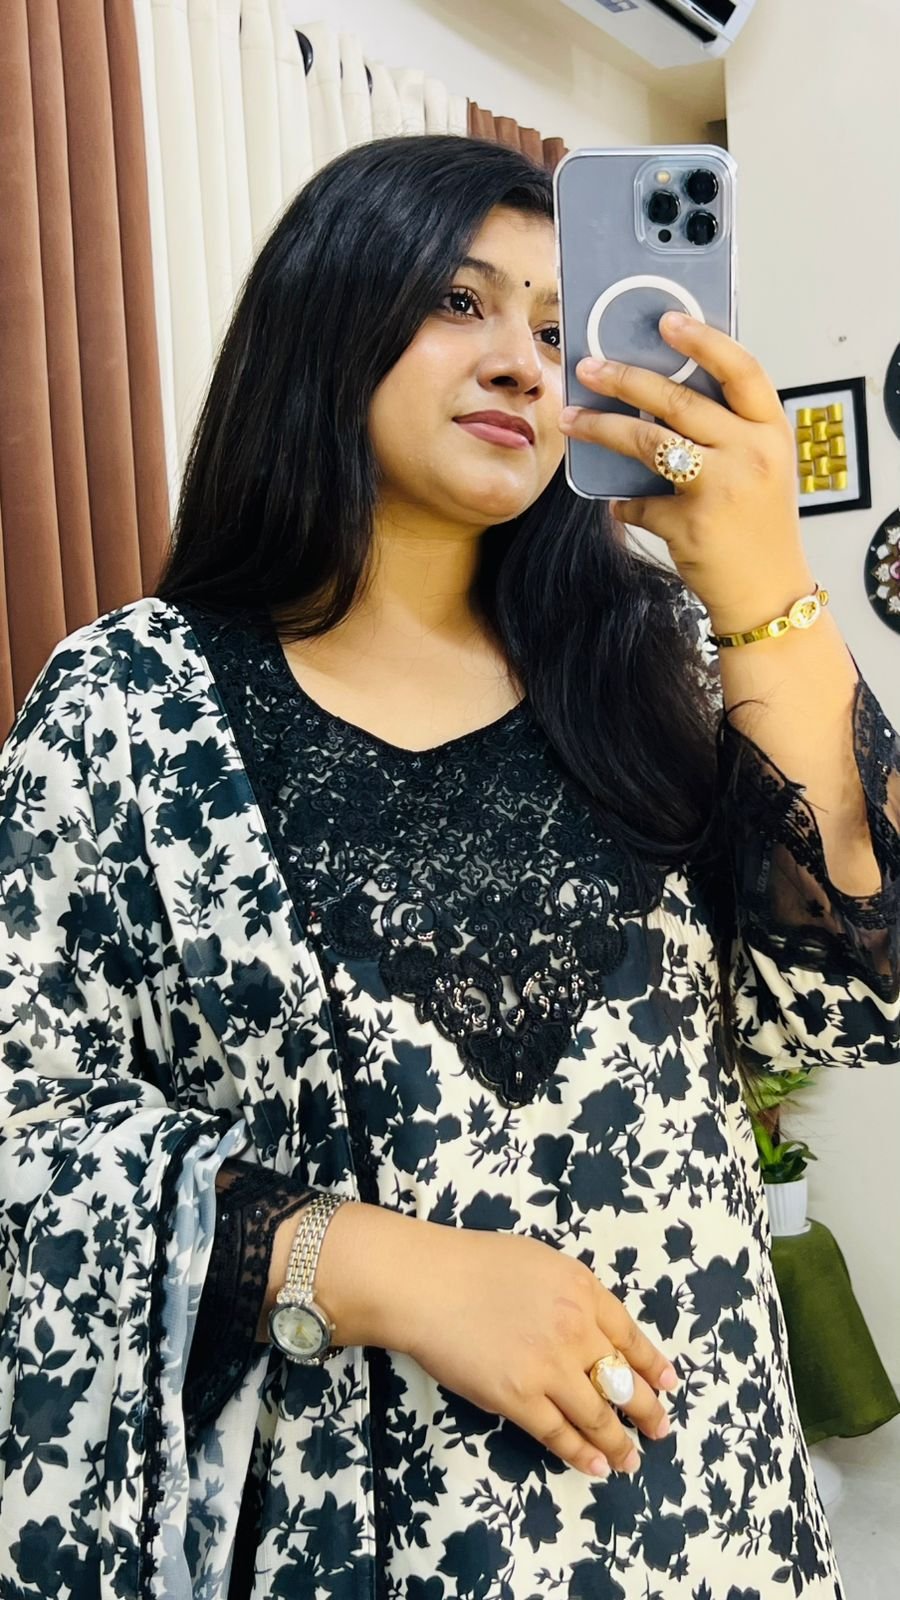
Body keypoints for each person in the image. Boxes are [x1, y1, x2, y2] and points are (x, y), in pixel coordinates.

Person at [0, 134, 897, 1600]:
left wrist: (763, 592)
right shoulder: (130, 702)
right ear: (324, 316)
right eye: (459, 302)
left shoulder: (663, 667)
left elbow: (855, 996)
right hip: (340, 1530)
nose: (520, 364)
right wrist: (372, 1264)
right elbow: (26, 1122)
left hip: (707, 1511)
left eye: (555, 327)